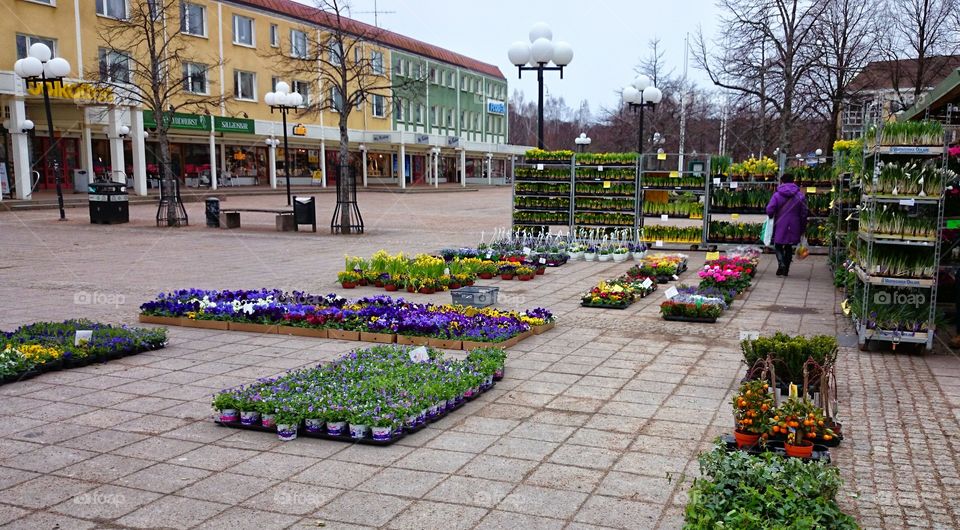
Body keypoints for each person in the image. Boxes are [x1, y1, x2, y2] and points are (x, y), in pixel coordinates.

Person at [765, 173, 809, 277]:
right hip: (795, 223)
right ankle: (786, 269)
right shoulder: (800, 195)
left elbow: (770, 209)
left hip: (780, 222)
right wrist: (802, 226)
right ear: (793, 181)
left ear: (782, 181)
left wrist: (771, 216)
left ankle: (781, 264)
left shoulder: (777, 195)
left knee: (778, 244)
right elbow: (804, 212)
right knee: (789, 246)